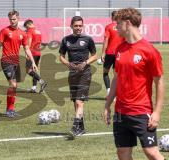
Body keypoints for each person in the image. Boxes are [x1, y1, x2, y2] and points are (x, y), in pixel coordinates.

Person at [104, 8, 165, 160]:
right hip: (120, 112)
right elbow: (116, 78)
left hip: (141, 111)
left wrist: (156, 112)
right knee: (123, 154)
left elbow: (159, 82)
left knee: (152, 153)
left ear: (128, 23)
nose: (116, 26)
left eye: (118, 23)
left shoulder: (149, 50)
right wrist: (107, 105)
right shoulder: (120, 48)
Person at [0, 10, 38, 118]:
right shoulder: (4, 31)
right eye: (10, 19)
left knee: (15, 86)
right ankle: (9, 110)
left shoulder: (23, 33)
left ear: (18, 19)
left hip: (16, 62)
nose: (12, 21)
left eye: (14, 19)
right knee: (13, 84)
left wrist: (33, 62)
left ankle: (11, 110)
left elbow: (27, 49)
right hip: (6, 61)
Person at [59, 16, 97, 136]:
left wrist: (85, 63)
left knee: (79, 102)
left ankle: (75, 127)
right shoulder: (66, 40)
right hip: (73, 74)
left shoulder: (88, 39)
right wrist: (68, 64)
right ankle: (81, 128)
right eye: (76, 26)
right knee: (76, 102)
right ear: (71, 26)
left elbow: (94, 56)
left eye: (80, 25)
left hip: (85, 73)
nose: (78, 28)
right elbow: (61, 56)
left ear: (83, 26)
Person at [101, 11, 124, 98]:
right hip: (119, 54)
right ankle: (116, 94)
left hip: (110, 53)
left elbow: (106, 40)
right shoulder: (121, 27)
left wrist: (103, 53)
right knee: (116, 75)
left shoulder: (109, 27)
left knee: (105, 73)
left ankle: (109, 92)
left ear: (112, 17)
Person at [23, 19, 47, 93]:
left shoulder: (30, 31)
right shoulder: (38, 32)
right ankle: (33, 88)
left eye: (26, 27)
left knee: (28, 70)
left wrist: (27, 53)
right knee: (34, 70)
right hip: (38, 53)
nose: (26, 29)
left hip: (32, 53)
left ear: (28, 25)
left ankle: (42, 82)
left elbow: (29, 42)